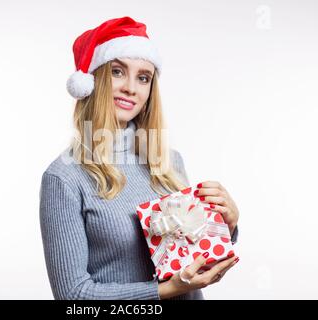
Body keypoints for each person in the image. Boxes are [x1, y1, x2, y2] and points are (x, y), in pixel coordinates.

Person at [39, 16, 240, 300]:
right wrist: (167, 290)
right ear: (91, 81)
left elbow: (191, 253)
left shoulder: (170, 162)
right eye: (118, 72)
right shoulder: (65, 178)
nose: (131, 88)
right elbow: (74, 298)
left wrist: (226, 226)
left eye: (143, 77)